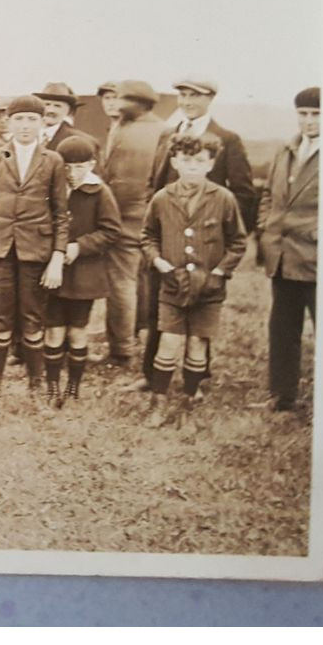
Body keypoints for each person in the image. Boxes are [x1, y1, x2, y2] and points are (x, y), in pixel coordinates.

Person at [141, 132, 247, 426]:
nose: (192, 167)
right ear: (175, 161)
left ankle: (189, 401)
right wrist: (159, 262)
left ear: (211, 164)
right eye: (186, 161)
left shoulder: (223, 198)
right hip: (172, 284)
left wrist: (219, 272)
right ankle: (158, 403)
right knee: (169, 342)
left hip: (209, 288)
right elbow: (147, 235)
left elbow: (238, 241)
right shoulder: (162, 198)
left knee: (198, 344)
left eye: (200, 161)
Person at [0, 95, 70, 399]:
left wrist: (56, 257)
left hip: (35, 251)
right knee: (1, 317)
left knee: (32, 317)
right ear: (8, 124)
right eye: (18, 119)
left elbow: (60, 214)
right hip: (0, 249)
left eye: (31, 120)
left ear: (41, 124)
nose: (25, 126)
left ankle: (36, 384)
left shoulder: (52, 160)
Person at [42, 135, 121, 407]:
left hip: (83, 274)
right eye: (66, 167)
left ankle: (73, 387)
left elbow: (111, 231)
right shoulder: (50, 188)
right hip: (52, 271)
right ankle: (52, 387)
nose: (72, 174)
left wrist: (80, 246)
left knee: (77, 330)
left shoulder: (100, 191)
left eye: (79, 167)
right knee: (53, 330)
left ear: (92, 164)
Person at [257, 86, 321, 412]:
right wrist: (266, 227)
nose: (308, 122)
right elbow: (269, 193)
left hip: (317, 259)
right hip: (282, 256)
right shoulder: (286, 150)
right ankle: (281, 395)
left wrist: (319, 232)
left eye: (316, 115)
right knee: (283, 328)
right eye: (303, 114)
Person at [101, 80, 168, 369]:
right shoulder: (163, 128)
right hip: (147, 217)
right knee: (139, 280)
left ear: (138, 103)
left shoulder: (130, 130)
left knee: (121, 284)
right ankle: (135, 339)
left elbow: (115, 177)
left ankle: (121, 349)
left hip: (125, 217)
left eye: (122, 100)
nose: (116, 105)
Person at [149, 76, 258, 236]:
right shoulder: (166, 135)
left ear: (210, 98)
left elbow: (243, 193)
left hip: (207, 235)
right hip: (167, 230)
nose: (187, 102)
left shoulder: (227, 139)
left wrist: (222, 229)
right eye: (183, 95)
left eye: (194, 96)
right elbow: (153, 183)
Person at [34, 82, 101, 165]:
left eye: (57, 106)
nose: (51, 110)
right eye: (47, 104)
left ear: (68, 111)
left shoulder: (84, 141)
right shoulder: (26, 137)